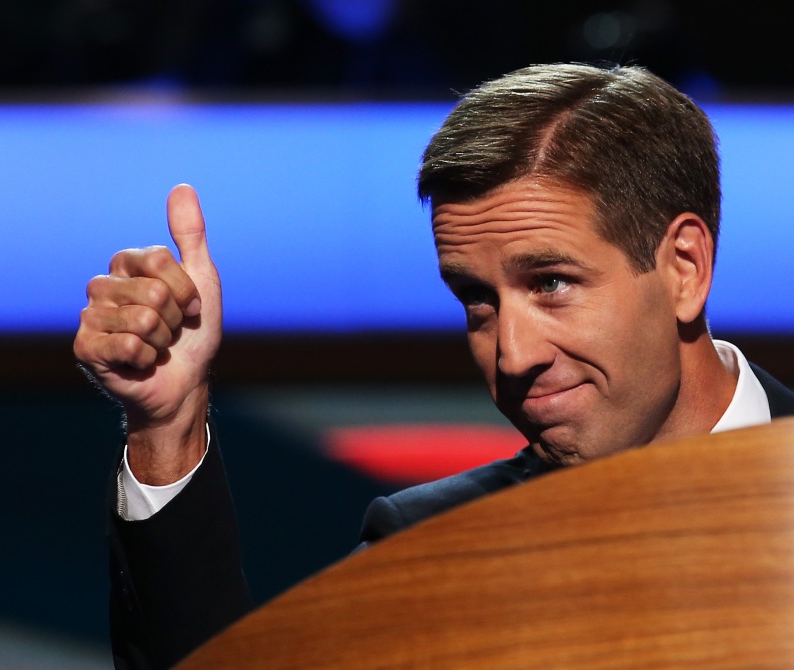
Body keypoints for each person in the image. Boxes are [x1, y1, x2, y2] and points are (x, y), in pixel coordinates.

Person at [73, 63, 794, 669]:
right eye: (477, 300)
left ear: (685, 268)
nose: (513, 355)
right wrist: (165, 425)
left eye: (550, 283)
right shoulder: (431, 547)